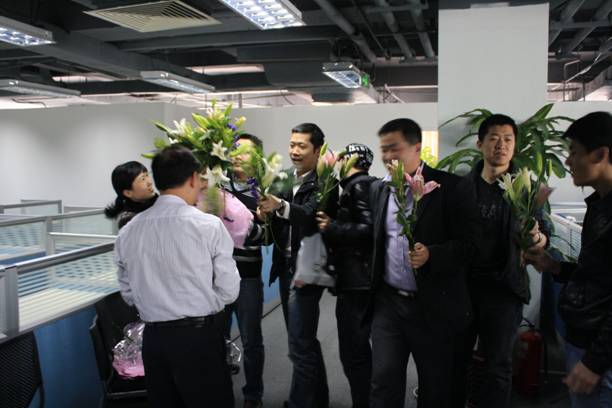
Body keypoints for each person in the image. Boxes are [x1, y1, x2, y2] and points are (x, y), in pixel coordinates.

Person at [114, 145, 241, 408]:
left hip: (154, 340)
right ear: (193, 178)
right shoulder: (208, 225)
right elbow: (229, 290)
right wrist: (206, 304)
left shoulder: (128, 231)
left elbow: (128, 293)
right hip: (199, 338)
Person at [367, 118, 478, 408]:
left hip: (432, 307)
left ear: (417, 147)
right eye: (383, 149)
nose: (387, 156)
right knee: (383, 381)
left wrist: (433, 254)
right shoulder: (379, 190)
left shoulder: (450, 187)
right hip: (389, 304)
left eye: (394, 148)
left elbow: (470, 246)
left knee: (435, 386)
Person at [452, 114, 549, 408]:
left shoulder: (528, 188)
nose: (501, 145)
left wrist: (537, 238)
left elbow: (545, 234)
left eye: (508, 139)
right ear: (480, 144)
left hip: (505, 289)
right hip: (464, 288)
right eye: (494, 138)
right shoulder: (461, 188)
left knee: (498, 365)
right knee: (456, 359)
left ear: (515, 146)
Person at [526, 111, 612, 407]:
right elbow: (599, 274)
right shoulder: (599, 206)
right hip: (585, 343)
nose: (568, 161)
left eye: (574, 152)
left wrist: (594, 362)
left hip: (600, 357)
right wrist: (554, 266)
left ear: (600, 154)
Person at [258, 123, 338, 408]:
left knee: (299, 345)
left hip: (307, 270)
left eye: (302, 146)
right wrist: (264, 215)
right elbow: (273, 221)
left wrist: (279, 205)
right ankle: (318, 399)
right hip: (285, 267)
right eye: (292, 144)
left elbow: (308, 215)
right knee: (303, 341)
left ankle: (299, 402)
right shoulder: (282, 178)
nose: (294, 151)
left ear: (317, 150)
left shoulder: (326, 182)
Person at [316, 143, 376, 408]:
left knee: (354, 352)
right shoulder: (360, 186)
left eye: (341, 157)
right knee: (357, 351)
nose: (337, 161)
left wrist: (332, 227)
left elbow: (368, 229)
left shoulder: (359, 186)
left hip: (357, 282)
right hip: (359, 280)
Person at [223, 133, 268, 408]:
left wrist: (250, 229)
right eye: (234, 150)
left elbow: (269, 237)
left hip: (248, 276)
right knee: (217, 340)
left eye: (245, 151)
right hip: (216, 277)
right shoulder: (216, 185)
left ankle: (253, 395)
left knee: (252, 340)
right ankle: (221, 393)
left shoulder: (264, 191)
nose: (237, 156)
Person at [104, 161, 157, 229]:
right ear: (128, 193)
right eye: (143, 179)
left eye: (147, 175)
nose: (150, 182)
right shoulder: (128, 220)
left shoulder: (158, 202)